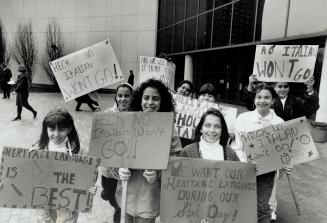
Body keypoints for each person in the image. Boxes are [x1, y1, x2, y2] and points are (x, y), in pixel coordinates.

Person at [116, 78, 182, 223]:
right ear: (140, 100)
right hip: (126, 193)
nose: (150, 102)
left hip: (150, 198)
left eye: (155, 99)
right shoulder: (128, 123)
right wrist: (118, 169)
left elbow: (176, 166)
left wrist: (158, 174)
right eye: (146, 98)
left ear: (162, 101)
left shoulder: (170, 130)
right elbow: (113, 155)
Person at [232, 84, 292, 223]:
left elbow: (282, 151)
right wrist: (245, 163)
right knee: (241, 203)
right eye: (259, 97)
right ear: (254, 99)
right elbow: (238, 145)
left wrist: (286, 164)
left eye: (267, 97)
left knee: (263, 208)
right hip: (245, 168)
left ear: (272, 100)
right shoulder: (243, 118)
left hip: (267, 172)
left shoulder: (279, 122)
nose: (262, 100)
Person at [32, 108, 96, 222]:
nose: (56, 134)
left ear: (69, 129)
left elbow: (89, 173)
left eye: (61, 129)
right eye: (52, 129)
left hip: (68, 203)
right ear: (46, 129)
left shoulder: (79, 150)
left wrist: (91, 185)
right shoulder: (38, 148)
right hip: (43, 202)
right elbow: (25, 174)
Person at [101, 83, 134, 223]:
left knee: (123, 203)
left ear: (132, 97)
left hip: (128, 169)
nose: (123, 99)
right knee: (114, 199)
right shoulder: (107, 114)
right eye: (120, 95)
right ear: (116, 97)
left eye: (127, 96)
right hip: (109, 170)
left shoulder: (138, 115)